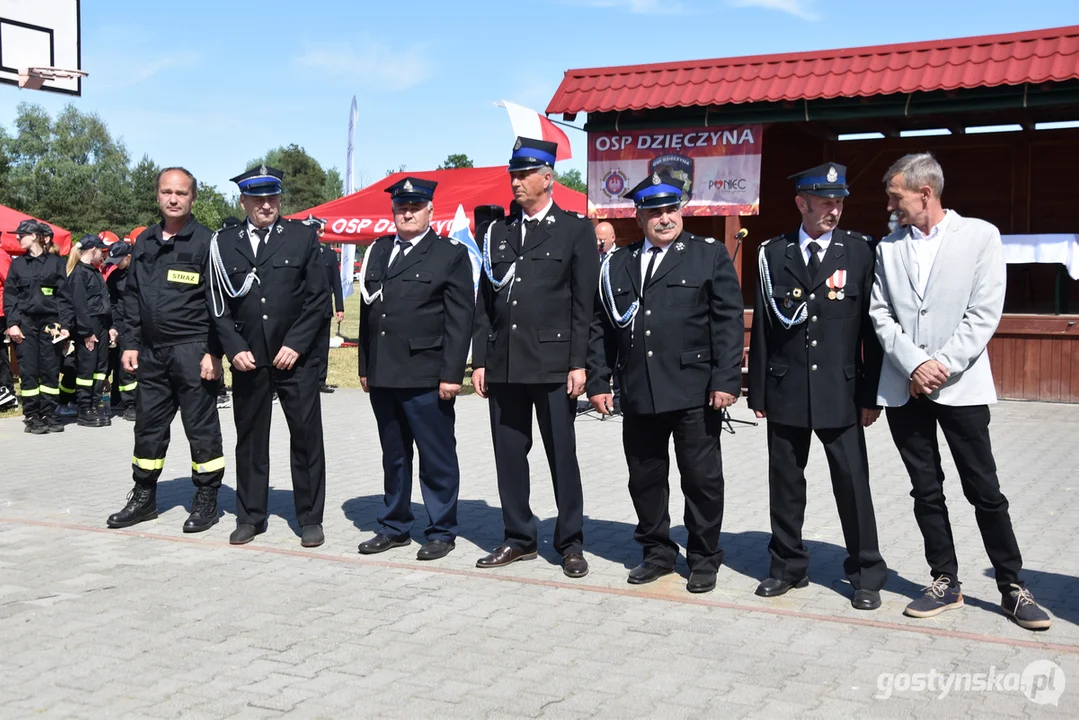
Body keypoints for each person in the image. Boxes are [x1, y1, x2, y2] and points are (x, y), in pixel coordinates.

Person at [870, 152, 1051, 630]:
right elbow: (880, 313)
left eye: (897, 196)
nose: (891, 205)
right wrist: (915, 364)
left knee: (984, 490)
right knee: (925, 490)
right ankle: (944, 581)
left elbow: (985, 311)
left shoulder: (981, 237)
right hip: (906, 389)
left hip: (962, 388)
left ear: (925, 194)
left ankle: (1013, 586)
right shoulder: (887, 247)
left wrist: (942, 365)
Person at [587, 172, 743, 593]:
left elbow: (727, 322)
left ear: (681, 211)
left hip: (694, 389)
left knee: (701, 479)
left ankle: (704, 557)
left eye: (671, 210)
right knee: (645, 478)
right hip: (638, 389)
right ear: (638, 217)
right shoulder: (617, 263)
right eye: (654, 212)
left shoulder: (707, 255)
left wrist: (727, 378)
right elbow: (600, 327)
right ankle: (656, 552)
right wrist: (599, 381)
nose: (664, 219)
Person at [747, 163, 887, 611]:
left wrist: (870, 396)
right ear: (801, 203)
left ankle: (865, 572)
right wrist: (759, 392)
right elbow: (766, 329)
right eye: (825, 201)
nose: (834, 209)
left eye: (839, 201)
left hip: (841, 391)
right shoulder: (773, 252)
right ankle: (787, 566)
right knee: (785, 484)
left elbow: (872, 331)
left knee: (852, 484)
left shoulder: (861, 251)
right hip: (786, 388)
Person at [471, 137, 599, 578]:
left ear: (548, 178)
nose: (516, 181)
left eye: (524, 174)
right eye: (513, 174)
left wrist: (579, 362)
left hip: (553, 362)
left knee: (561, 454)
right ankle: (519, 536)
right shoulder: (498, 232)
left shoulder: (574, 229)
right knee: (509, 454)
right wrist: (480, 359)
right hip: (504, 361)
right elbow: (485, 301)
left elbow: (584, 304)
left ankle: (570, 542)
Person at [208, 165, 329, 548]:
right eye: (257, 198)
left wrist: (296, 343)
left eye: (272, 197)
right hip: (249, 359)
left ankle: (310, 517)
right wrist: (233, 347)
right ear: (242, 201)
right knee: (251, 440)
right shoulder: (223, 243)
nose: (266, 205)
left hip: (295, 357)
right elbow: (216, 303)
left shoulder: (302, 237)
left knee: (306, 438)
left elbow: (317, 299)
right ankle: (251, 516)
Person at [357, 177, 475, 560]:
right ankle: (394, 525)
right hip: (384, 372)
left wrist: (451, 374)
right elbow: (369, 312)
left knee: (436, 455)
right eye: (401, 207)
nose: (407, 213)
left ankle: (441, 529)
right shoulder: (378, 251)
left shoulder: (448, 254)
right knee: (394, 455)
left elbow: (460, 319)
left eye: (415, 207)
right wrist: (364, 365)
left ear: (430, 211)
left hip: (427, 374)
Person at [106, 167, 227, 534]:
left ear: (193, 198)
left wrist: (214, 352)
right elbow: (131, 298)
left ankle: (206, 499)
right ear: (157, 196)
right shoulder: (143, 242)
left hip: (193, 352)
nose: (173, 199)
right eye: (166, 192)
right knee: (148, 428)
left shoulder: (207, 242)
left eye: (181, 193)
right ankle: (144, 497)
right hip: (151, 353)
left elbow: (220, 304)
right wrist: (129, 343)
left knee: (201, 429)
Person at [3, 220, 74, 433]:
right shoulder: (17, 265)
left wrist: (66, 325)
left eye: (21, 234)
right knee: (29, 370)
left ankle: (50, 414)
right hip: (25, 323)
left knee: (50, 370)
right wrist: (13, 324)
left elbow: (64, 296)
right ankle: (33, 416)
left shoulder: (55, 263)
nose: (17, 238)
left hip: (50, 324)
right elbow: (10, 297)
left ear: (34, 236)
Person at [67, 234, 113, 428]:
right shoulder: (79, 274)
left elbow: (104, 301)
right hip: (89, 325)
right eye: (101, 250)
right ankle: (84, 407)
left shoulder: (94, 272)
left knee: (100, 368)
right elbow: (79, 306)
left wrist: (111, 327)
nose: (103, 254)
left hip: (101, 324)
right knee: (87, 368)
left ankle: (95, 403)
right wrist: (86, 332)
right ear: (92, 249)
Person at [307, 217, 344, 394]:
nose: (318, 234)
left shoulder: (328, 254)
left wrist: (340, 307)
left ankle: (320, 380)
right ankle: (306, 379)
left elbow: (336, 283)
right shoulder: (302, 252)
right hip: (304, 308)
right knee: (306, 344)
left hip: (323, 307)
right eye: (316, 230)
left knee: (322, 346)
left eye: (319, 231)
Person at [104, 241, 137, 421]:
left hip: (144, 324)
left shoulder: (143, 273)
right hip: (124, 325)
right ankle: (129, 404)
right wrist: (114, 326)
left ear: (129, 257)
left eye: (119, 260)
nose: (116, 264)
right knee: (125, 366)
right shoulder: (114, 277)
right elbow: (113, 304)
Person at [0, 246, 17, 410]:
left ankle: (7, 391)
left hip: (1, 312)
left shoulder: (1, 256)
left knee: (1, 353)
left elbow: (10, 283)